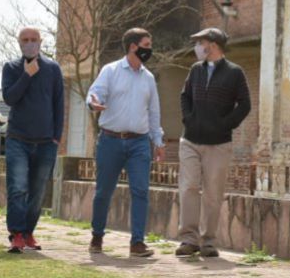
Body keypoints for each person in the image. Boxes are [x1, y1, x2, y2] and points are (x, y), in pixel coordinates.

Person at [86, 27, 166, 257]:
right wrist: (94, 103)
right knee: (103, 191)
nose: (150, 50)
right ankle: (97, 235)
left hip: (139, 143)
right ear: (133, 46)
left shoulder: (149, 78)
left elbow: (154, 112)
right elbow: (95, 93)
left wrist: (157, 141)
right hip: (110, 141)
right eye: (147, 46)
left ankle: (137, 242)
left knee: (141, 190)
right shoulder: (110, 71)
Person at [175, 27, 250, 258]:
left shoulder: (235, 73)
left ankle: (208, 242)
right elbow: (184, 96)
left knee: (213, 193)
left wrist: (225, 124)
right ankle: (188, 240)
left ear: (214, 45)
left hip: (218, 144)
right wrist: (188, 118)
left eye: (201, 42)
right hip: (190, 140)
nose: (197, 46)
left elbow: (245, 104)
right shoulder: (195, 70)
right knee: (188, 187)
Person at [1, 27, 64, 253]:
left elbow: (59, 104)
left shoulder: (53, 69)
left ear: (41, 42)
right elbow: (9, 98)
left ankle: (28, 232)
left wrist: (57, 137)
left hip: (46, 141)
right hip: (18, 138)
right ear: (19, 43)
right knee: (18, 187)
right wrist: (27, 75)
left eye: (34, 40)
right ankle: (16, 234)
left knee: (37, 191)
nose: (30, 43)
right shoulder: (11, 68)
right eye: (25, 40)